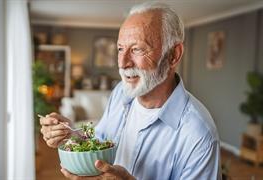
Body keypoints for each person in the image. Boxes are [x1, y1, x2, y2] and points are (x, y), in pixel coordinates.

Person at [39, 2, 221, 180]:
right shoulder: (121, 92)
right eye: (120, 49)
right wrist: (70, 133)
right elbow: (101, 141)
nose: (123, 63)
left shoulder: (199, 135)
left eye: (137, 49)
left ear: (173, 55)